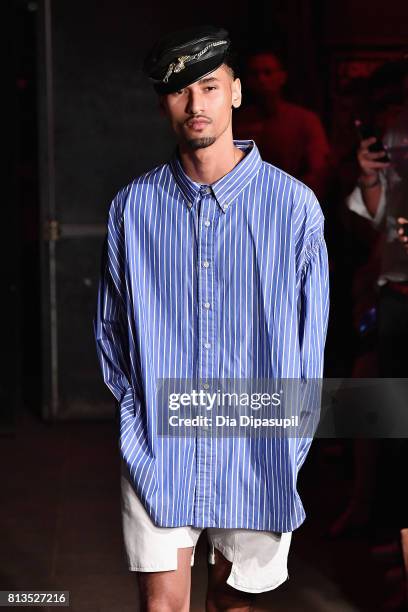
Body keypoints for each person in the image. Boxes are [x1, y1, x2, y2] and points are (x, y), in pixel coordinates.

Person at [93, 25, 330, 612]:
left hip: (256, 447)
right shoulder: (133, 208)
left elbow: (310, 345)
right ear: (162, 104)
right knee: (161, 607)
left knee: (233, 608)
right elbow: (110, 333)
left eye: (209, 86)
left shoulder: (294, 208)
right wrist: (139, 413)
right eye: (179, 92)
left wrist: (285, 445)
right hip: (159, 447)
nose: (196, 105)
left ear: (236, 93)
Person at [233, 48, 330, 200]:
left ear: (282, 77)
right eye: (255, 74)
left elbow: (319, 172)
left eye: (268, 73)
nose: (262, 79)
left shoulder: (305, 120)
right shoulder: (237, 121)